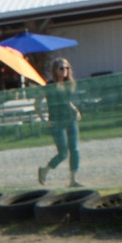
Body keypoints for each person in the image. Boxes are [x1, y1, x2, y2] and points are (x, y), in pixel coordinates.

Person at [37, 57, 82, 187]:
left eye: (67, 68)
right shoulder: (50, 86)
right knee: (63, 153)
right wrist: (44, 119)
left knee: (74, 149)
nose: (65, 71)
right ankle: (44, 170)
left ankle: (73, 180)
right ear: (55, 70)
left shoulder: (69, 84)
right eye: (61, 68)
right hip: (56, 121)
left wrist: (75, 109)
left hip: (70, 119)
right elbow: (37, 103)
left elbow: (66, 101)